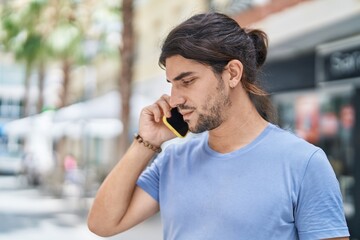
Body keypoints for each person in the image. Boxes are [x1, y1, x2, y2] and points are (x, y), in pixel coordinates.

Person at [88, 12, 350, 239]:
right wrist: (146, 142)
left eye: (187, 81)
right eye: (172, 84)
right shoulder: (173, 161)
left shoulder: (304, 163)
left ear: (232, 74)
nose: (175, 98)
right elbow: (102, 224)